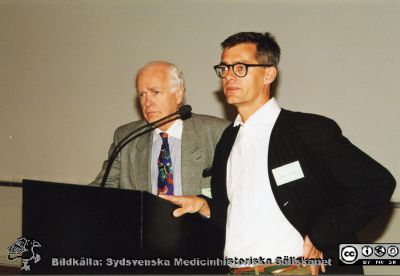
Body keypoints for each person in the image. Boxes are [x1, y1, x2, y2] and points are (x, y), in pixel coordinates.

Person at [160, 32, 396, 274]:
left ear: (269, 74)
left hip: (294, 269)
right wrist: (201, 205)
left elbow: (376, 184)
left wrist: (320, 237)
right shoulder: (228, 140)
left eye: (240, 67)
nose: (228, 76)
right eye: (224, 68)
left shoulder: (306, 131)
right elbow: (235, 212)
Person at [92, 61, 229, 196]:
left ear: (178, 94)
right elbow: (103, 190)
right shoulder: (126, 138)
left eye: (155, 92)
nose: (147, 102)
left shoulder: (218, 132)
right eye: (142, 94)